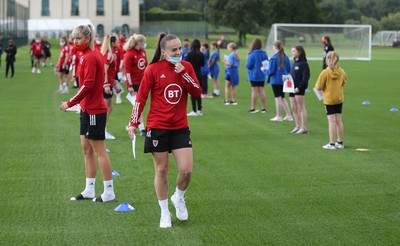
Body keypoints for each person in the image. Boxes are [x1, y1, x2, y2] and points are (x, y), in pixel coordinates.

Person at [128, 33, 202, 228]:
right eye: (174, 49)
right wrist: (134, 122)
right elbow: (141, 98)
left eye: (180, 48)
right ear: (164, 52)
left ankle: (178, 197)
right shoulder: (153, 69)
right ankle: (164, 212)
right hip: (157, 127)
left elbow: (197, 91)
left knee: (186, 171)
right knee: (161, 170)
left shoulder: (186, 67)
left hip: (180, 127)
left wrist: (183, 74)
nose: (179, 52)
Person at [59, 24, 116, 203]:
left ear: (88, 39)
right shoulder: (84, 55)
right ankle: (89, 189)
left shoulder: (91, 57)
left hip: (94, 110)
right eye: (73, 38)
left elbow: (88, 85)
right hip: (86, 109)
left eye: (79, 38)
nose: (75, 41)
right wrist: (78, 105)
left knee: (100, 151)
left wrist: (70, 102)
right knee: (86, 150)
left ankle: (109, 192)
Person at [315, 51, 347, 149]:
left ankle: (332, 143)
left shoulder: (325, 72)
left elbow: (318, 86)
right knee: (339, 120)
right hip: (339, 98)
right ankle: (340, 142)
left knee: (331, 121)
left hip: (329, 99)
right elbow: (344, 82)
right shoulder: (342, 71)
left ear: (327, 60)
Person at [123, 33, 148, 136]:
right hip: (134, 84)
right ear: (139, 42)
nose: (145, 44)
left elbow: (146, 66)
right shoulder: (129, 54)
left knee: (137, 107)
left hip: (142, 83)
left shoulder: (143, 52)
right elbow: (127, 71)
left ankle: (130, 124)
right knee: (138, 106)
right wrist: (129, 85)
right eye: (143, 42)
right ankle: (142, 129)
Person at [262, 40, 292, 121]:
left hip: (276, 80)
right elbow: (289, 69)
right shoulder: (286, 57)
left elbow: (271, 71)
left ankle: (279, 116)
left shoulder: (274, 58)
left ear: (275, 47)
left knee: (277, 98)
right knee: (282, 97)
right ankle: (288, 115)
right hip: (284, 80)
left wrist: (264, 70)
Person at [100, 34, 118, 140]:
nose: (118, 43)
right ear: (112, 43)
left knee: (109, 107)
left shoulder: (109, 54)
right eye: (116, 41)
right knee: (107, 108)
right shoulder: (108, 55)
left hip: (109, 84)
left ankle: (103, 129)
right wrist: (106, 83)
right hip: (106, 85)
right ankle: (103, 130)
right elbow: (104, 70)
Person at [289, 45, 310, 134]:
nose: (292, 53)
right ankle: (297, 126)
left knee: (301, 107)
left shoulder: (303, 64)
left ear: (299, 52)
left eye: (294, 51)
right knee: (293, 107)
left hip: (299, 89)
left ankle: (304, 127)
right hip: (291, 89)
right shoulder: (294, 63)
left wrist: (299, 87)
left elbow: (305, 78)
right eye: (292, 51)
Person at [245, 38, 268, 113]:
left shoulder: (252, 54)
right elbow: (266, 64)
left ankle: (253, 108)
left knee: (254, 91)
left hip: (254, 75)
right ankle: (263, 108)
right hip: (262, 74)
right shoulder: (264, 53)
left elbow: (248, 66)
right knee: (262, 90)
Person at [185, 39, 205, 116]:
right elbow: (203, 64)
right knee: (198, 92)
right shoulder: (201, 54)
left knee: (192, 92)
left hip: (192, 75)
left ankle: (194, 110)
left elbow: (186, 63)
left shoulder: (189, 54)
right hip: (199, 74)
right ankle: (199, 109)